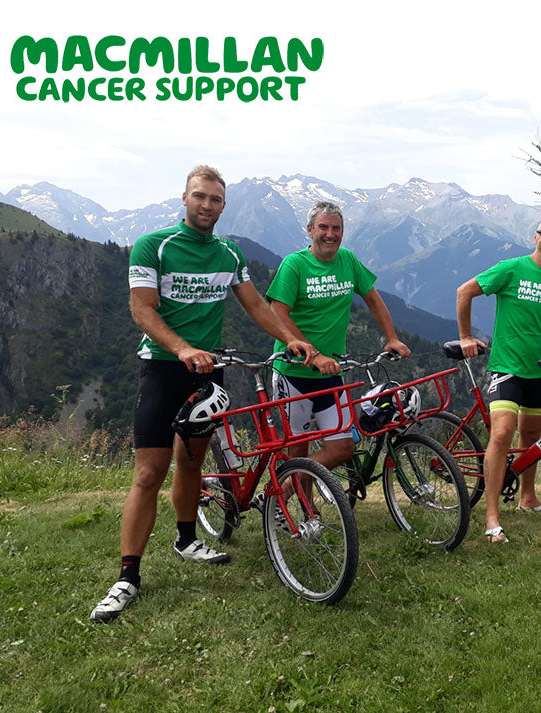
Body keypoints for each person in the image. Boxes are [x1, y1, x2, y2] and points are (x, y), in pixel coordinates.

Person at [91, 166, 312, 623]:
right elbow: (142, 309)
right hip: (162, 370)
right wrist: (182, 347)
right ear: (185, 198)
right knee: (149, 474)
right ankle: (127, 577)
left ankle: (187, 538)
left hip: (206, 374)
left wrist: (288, 337)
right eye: (199, 196)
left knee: (192, 461)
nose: (207, 205)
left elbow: (254, 304)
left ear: (223, 206)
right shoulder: (154, 246)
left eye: (215, 199)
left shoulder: (229, 252)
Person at [457, 217, 541, 543]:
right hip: (507, 367)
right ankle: (491, 518)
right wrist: (465, 337)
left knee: (531, 439)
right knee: (502, 434)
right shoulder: (511, 268)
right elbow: (465, 291)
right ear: (535, 236)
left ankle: (527, 498)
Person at [264, 200, 410, 481]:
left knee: (342, 448)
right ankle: (302, 515)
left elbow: (373, 299)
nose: (330, 234)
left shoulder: (348, 260)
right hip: (294, 372)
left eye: (336, 228)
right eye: (323, 227)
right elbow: (277, 313)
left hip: (332, 372)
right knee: (298, 448)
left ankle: (282, 492)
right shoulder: (294, 265)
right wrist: (314, 354)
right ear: (309, 230)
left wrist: (391, 337)